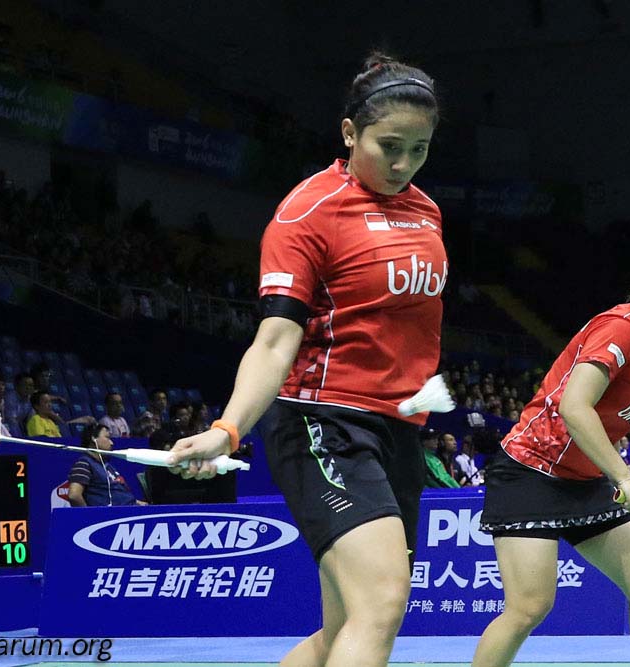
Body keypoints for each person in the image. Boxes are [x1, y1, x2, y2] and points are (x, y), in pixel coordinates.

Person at [167, 52, 445, 667]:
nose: (402, 165)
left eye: (419, 150)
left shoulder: (425, 210)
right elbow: (274, 340)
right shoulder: (307, 213)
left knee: (344, 628)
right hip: (326, 422)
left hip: (399, 428)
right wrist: (228, 429)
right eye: (389, 147)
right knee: (382, 604)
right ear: (349, 133)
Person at [473, 241, 630, 667]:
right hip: (531, 470)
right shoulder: (622, 328)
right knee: (529, 606)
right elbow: (574, 407)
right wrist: (625, 478)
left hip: (583, 479)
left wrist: (613, 473)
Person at [67, 423, 147, 506]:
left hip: (132, 508)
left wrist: (137, 502)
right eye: (107, 437)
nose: (111, 443)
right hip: (115, 513)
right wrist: (89, 513)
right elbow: (74, 495)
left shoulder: (107, 466)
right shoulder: (84, 463)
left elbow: (119, 494)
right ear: (94, 438)